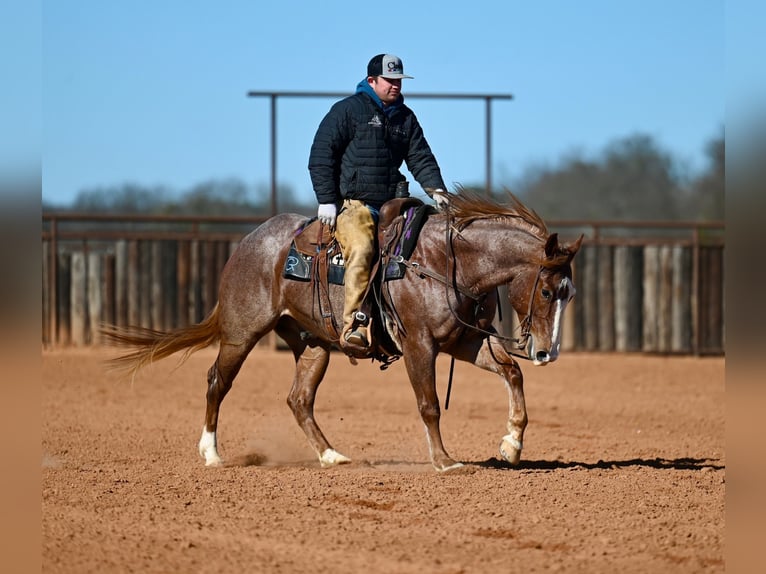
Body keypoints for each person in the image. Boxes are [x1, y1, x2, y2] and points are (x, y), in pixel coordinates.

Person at [308, 53, 449, 352]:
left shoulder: (405, 117)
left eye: (399, 80)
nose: (396, 85)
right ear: (371, 81)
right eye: (390, 80)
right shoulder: (348, 110)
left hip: (394, 206)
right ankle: (354, 326)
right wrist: (327, 201)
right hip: (354, 205)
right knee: (361, 249)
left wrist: (436, 189)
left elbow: (420, 156)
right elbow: (321, 155)